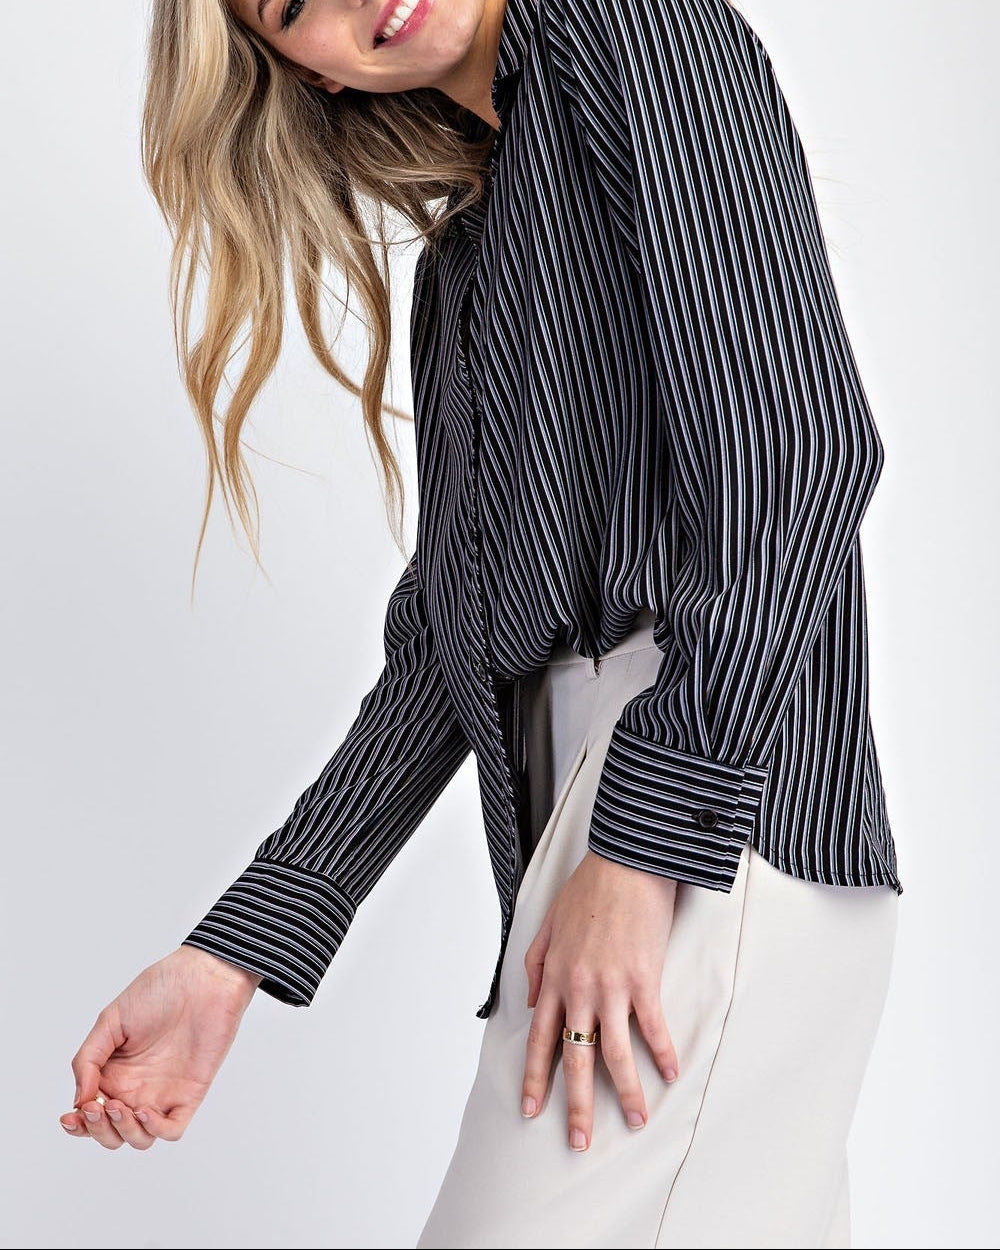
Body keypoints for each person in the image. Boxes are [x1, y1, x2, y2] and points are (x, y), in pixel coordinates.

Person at [59, 0, 903, 1245]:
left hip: (709, 823)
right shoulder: (468, 255)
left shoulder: (630, 29)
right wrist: (228, 956)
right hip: (612, 830)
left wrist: (638, 847)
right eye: (293, 9)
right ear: (309, 76)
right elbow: (450, 650)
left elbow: (804, 454)